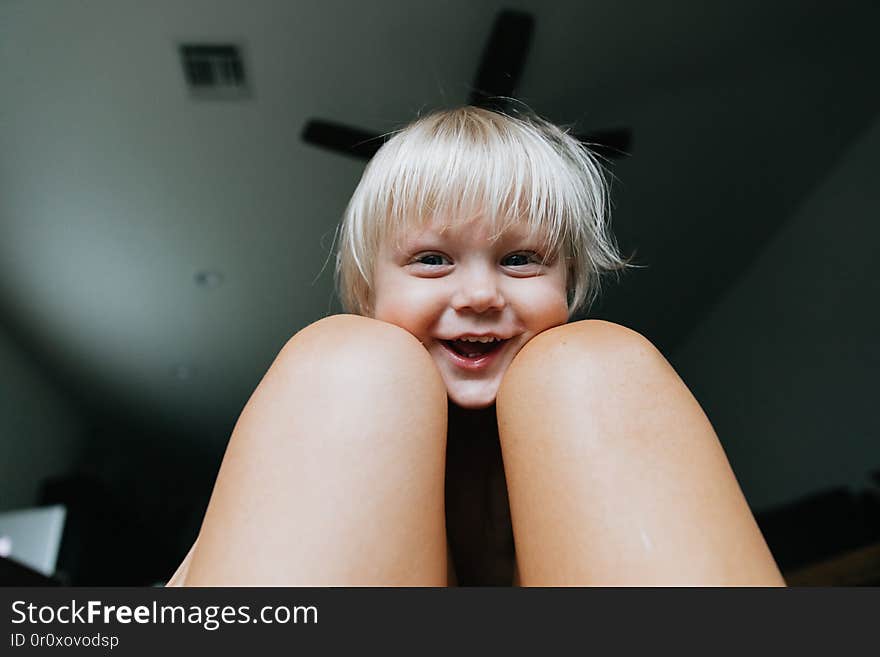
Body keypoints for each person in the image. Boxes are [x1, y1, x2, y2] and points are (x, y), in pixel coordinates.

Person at [167, 105, 785, 586]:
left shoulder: (586, 386)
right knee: (353, 362)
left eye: (520, 260)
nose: (481, 294)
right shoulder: (339, 398)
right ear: (368, 291)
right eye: (432, 260)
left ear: (569, 287)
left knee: (589, 363)